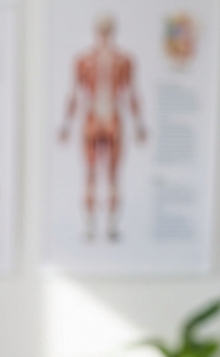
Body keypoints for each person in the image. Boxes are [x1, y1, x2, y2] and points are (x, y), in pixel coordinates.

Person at [58, 15, 147, 241]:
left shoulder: (125, 60)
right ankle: (90, 229)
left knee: (112, 175)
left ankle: (109, 229)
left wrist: (139, 124)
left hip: (112, 118)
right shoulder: (83, 60)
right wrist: (66, 125)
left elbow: (131, 93)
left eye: (107, 30)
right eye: (102, 30)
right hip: (93, 117)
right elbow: (75, 94)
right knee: (90, 174)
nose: (105, 35)